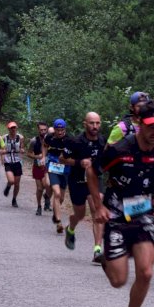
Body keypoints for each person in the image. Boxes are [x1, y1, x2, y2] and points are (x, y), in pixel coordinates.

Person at [87, 99, 154, 307]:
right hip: (115, 214)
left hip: (143, 214)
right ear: (139, 124)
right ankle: (109, 259)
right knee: (118, 281)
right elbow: (93, 171)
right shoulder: (120, 150)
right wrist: (99, 204)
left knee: (145, 272)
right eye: (151, 126)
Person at [61, 112, 106, 264]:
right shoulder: (75, 141)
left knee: (97, 209)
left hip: (95, 179)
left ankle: (97, 250)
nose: (95, 126)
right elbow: (62, 159)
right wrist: (79, 162)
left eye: (97, 123)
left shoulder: (102, 141)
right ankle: (71, 228)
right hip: (77, 180)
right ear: (84, 124)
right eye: (92, 123)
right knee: (79, 215)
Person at [43, 119, 71, 233]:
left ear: (65, 129)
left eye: (62, 130)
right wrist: (44, 157)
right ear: (54, 130)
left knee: (61, 198)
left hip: (65, 168)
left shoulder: (69, 140)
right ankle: (59, 222)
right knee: (57, 193)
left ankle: (55, 214)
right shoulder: (49, 137)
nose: (60, 132)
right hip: (53, 166)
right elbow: (44, 146)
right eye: (57, 130)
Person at [26, 121, 52, 215]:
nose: (43, 131)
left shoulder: (51, 139)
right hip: (37, 166)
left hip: (48, 167)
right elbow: (28, 153)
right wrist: (38, 157)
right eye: (41, 130)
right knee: (40, 188)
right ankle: (39, 207)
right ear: (38, 130)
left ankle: (47, 197)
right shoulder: (34, 140)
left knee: (48, 185)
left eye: (45, 130)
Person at [1, 122, 24, 208]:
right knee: (11, 181)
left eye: (14, 128)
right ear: (8, 129)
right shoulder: (4, 138)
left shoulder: (20, 137)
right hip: (8, 161)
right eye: (11, 128)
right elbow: (1, 149)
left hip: (17, 162)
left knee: (17, 184)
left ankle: (14, 199)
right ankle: (8, 186)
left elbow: (22, 147)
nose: (13, 129)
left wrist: (22, 151)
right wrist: (2, 158)